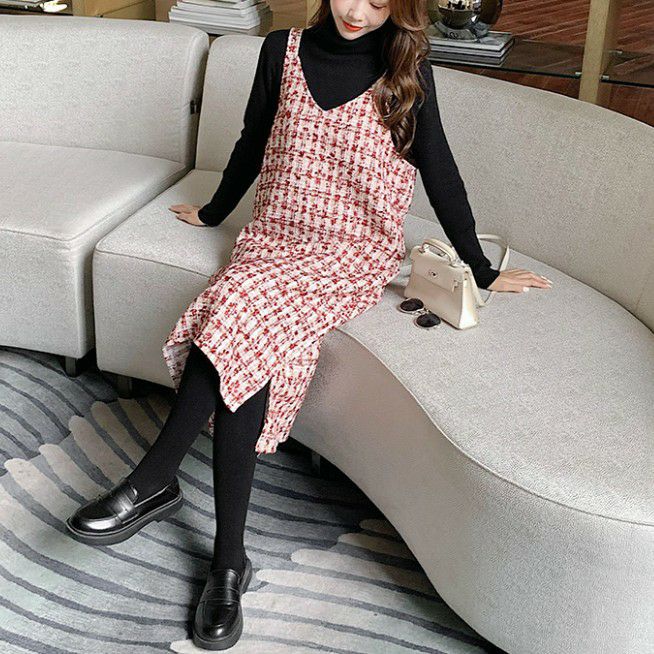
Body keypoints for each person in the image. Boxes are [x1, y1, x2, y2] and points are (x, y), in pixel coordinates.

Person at [66, 0, 553, 650]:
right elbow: (254, 140)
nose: (359, 11)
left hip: (352, 252)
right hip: (274, 236)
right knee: (243, 315)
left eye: (379, 2)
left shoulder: (406, 68)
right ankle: (222, 556)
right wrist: (214, 213)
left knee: (238, 306)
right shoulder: (282, 51)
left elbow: (440, 168)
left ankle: (161, 491)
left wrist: (481, 269)